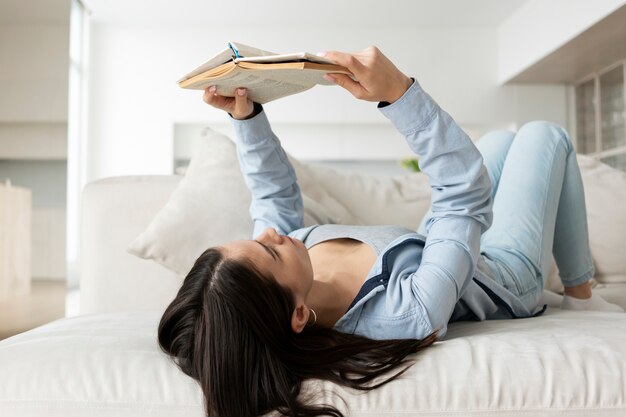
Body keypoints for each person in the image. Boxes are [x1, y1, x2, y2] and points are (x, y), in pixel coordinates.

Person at [158, 46, 624, 417]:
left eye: (257, 239)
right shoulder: (403, 314)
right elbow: (463, 194)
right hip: (502, 274)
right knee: (546, 134)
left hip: (436, 242)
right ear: (298, 316)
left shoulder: (282, 270)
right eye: (272, 252)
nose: (273, 235)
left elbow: (272, 197)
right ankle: (583, 295)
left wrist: (246, 115)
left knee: (500, 142)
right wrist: (400, 95)